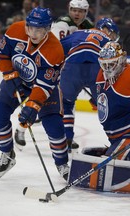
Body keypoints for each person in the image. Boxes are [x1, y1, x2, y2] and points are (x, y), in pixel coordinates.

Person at [0, 7, 70, 181]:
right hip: (16, 79)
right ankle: (7, 153)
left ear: (48, 29)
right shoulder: (15, 30)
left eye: (38, 29)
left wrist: (32, 107)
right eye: (30, 27)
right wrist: (8, 73)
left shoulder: (55, 50)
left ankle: (62, 164)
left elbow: (44, 86)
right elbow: (3, 55)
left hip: (43, 86)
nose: (32, 33)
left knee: (54, 126)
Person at [14, 0, 95, 150]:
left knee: (67, 102)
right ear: (69, 9)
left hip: (67, 68)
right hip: (50, 67)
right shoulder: (62, 24)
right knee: (39, 101)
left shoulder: (88, 27)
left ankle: (67, 136)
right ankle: (20, 129)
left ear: (86, 12)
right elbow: (53, 47)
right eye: (74, 10)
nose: (77, 13)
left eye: (80, 11)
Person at [59, 17, 120, 152]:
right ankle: (117, 141)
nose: (113, 37)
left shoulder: (78, 33)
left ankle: (67, 139)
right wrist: (97, 98)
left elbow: (59, 46)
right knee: (105, 107)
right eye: (112, 33)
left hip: (72, 67)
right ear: (104, 29)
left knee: (67, 103)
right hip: (96, 68)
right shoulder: (109, 41)